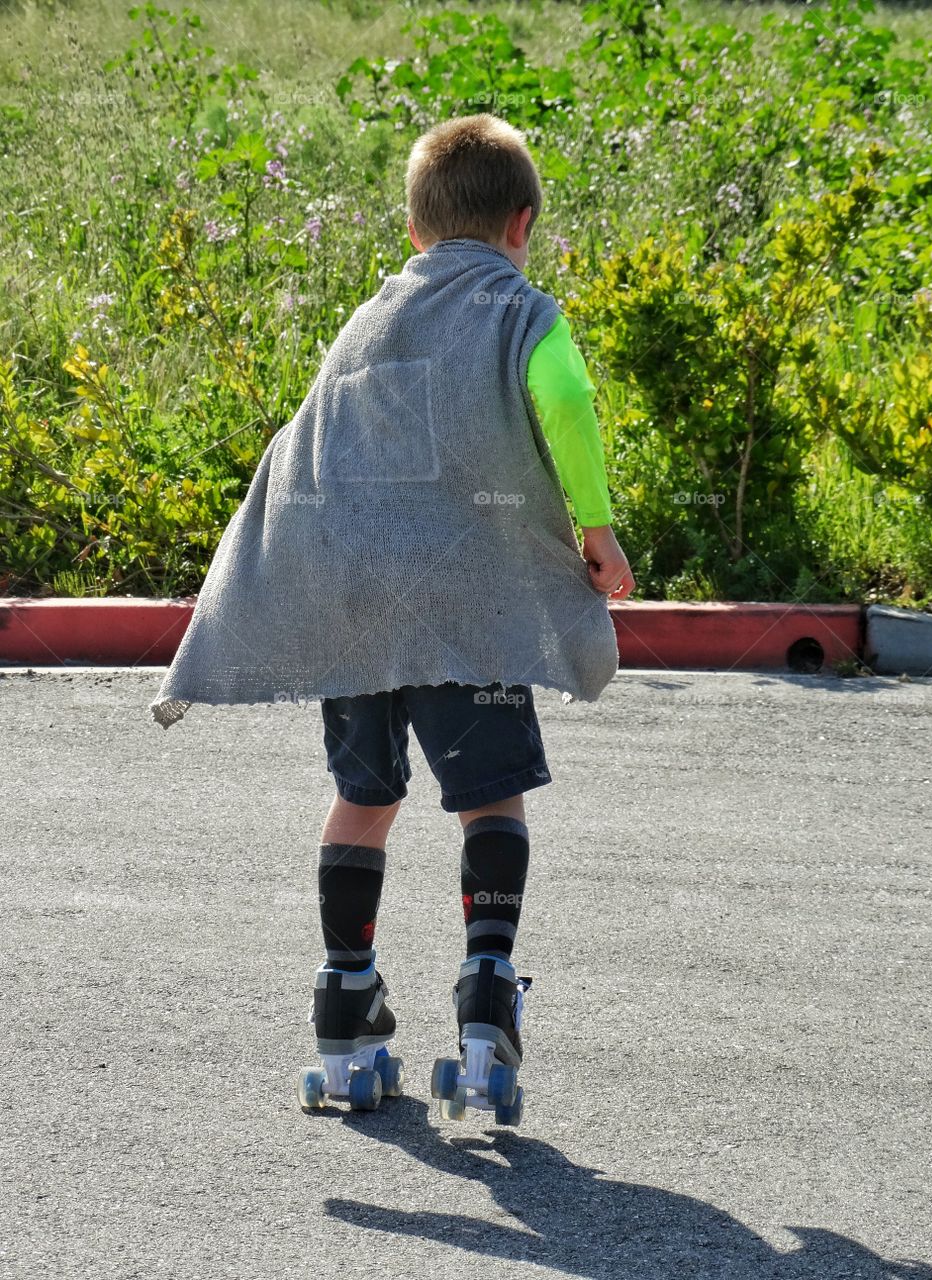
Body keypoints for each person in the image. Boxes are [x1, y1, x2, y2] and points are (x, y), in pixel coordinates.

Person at [150, 113, 635, 1113]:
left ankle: (344, 995)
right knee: (487, 798)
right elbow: (565, 401)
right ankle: (485, 991)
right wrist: (593, 525)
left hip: (355, 608)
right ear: (521, 224)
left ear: (412, 232)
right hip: (463, 610)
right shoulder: (520, 308)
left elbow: (306, 447)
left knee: (362, 795)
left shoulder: (367, 320)